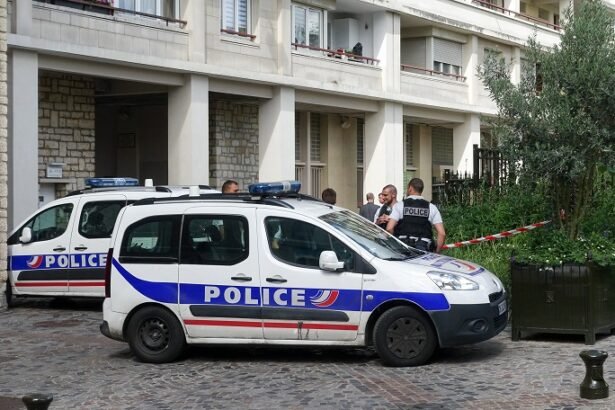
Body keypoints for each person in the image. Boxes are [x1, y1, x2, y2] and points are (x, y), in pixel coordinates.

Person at [386, 178, 446, 253]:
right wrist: (437, 251)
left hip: (403, 249)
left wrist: (393, 245)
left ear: (410, 188)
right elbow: (442, 233)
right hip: (424, 251)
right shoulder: (431, 207)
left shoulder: (400, 205)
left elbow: (389, 228)